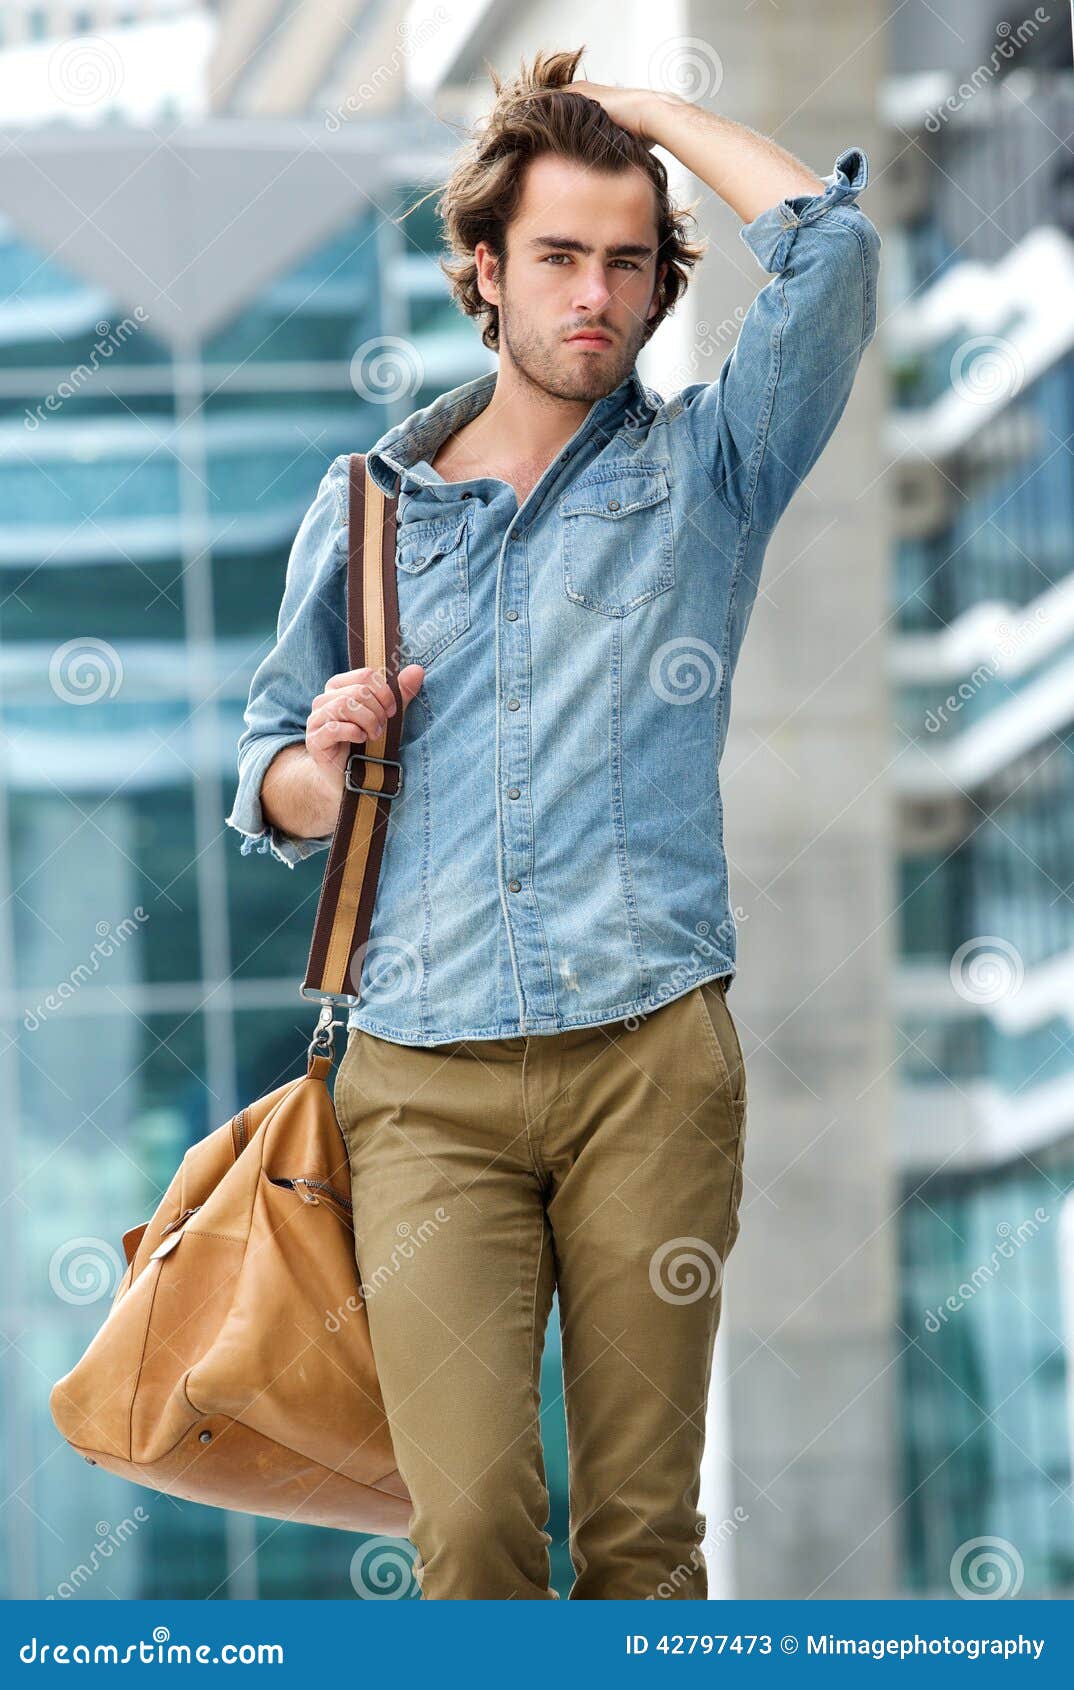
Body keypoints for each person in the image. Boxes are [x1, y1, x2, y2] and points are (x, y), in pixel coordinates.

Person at [226, 46, 880, 1599]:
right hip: (420, 1081)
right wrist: (323, 752)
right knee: (467, 1536)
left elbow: (833, 251)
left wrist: (635, 119)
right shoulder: (368, 506)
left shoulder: (707, 472)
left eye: (625, 263)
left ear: (659, 290)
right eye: (557, 256)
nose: (593, 292)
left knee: (643, 1541)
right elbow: (266, 780)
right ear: (483, 272)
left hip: (647, 1056)